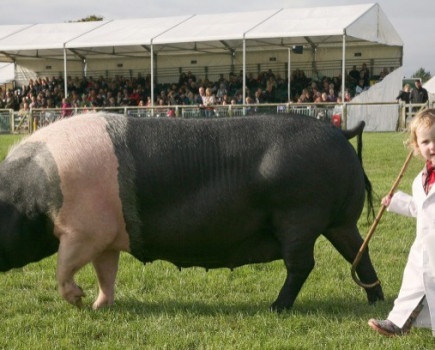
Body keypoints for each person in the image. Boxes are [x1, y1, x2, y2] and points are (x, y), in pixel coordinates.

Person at [368, 108, 435, 337]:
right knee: (412, 285)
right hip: (424, 246)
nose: (432, 146)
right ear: (417, 147)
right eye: (426, 141)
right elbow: (420, 207)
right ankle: (397, 324)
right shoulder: (420, 180)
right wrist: (395, 201)